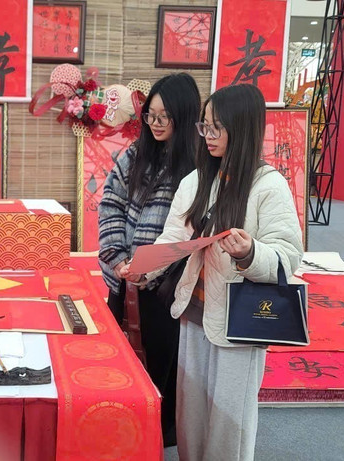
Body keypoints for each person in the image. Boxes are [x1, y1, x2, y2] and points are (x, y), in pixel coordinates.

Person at [131, 84, 303, 461]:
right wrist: (144, 268)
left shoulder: (268, 186)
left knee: (229, 418)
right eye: (203, 127)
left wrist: (250, 252)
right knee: (191, 412)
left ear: (241, 130)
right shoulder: (196, 180)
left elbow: (288, 255)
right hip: (194, 314)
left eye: (216, 128)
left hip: (239, 322)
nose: (207, 137)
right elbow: (173, 237)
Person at [97, 72, 201, 447]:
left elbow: (188, 232)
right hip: (122, 278)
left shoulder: (198, 167)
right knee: (118, 364)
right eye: (150, 116)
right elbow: (110, 205)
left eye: (164, 117)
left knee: (159, 365)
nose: (155, 125)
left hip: (165, 289)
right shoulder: (134, 155)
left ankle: (154, 437)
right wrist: (119, 260)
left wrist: (150, 270)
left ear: (185, 117)